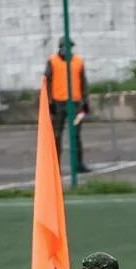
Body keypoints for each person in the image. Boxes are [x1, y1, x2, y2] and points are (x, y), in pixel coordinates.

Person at [44, 36, 91, 173]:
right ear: (60, 48)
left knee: (76, 135)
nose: (68, 50)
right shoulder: (52, 61)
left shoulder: (78, 62)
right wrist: (49, 102)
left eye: (70, 47)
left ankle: (78, 164)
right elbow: (47, 82)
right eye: (65, 47)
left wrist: (85, 102)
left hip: (75, 104)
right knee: (56, 135)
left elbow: (83, 83)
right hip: (58, 103)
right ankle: (55, 165)